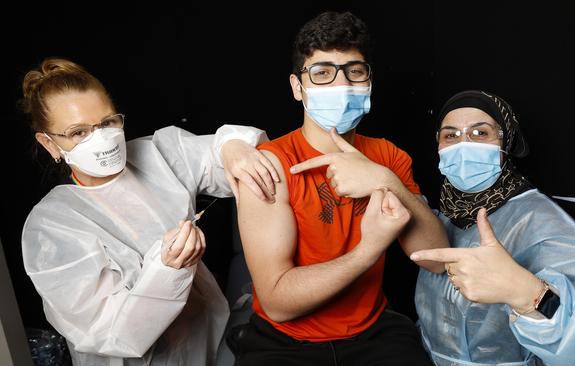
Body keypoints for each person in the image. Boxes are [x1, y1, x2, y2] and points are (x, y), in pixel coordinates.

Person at [20, 57, 280, 365]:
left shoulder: (157, 154)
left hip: (212, 345)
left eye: (107, 123)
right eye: (78, 132)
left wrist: (232, 146)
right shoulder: (51, 228)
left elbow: (226, 158)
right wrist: (167, 271)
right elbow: (113, 334)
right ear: (49, 143)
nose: (101, 139)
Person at [229, 11, 448, 366]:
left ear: (369, 81)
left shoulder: (389, 156)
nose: (341, 85)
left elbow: (437, 260)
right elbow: (277, 301)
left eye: (354, 71)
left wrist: (384, 180)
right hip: (283, 341)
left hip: (375, 332)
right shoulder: (270, 162)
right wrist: (369, 249)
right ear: (297, 87)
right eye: (322, 72)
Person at [410, 90, 575, 365]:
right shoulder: (440, 217)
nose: (463, 145)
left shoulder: (539, 219)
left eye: (480, 133)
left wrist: (528, 294)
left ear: (506, 141)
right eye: (450, 135)